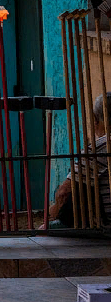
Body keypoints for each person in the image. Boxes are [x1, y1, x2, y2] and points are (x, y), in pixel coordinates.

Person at [43, 92, 110, 228]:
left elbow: (64, 192)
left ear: (96, 120)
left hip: (105, 224)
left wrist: (54, 212)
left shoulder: (97, 149)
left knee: (46, 229)